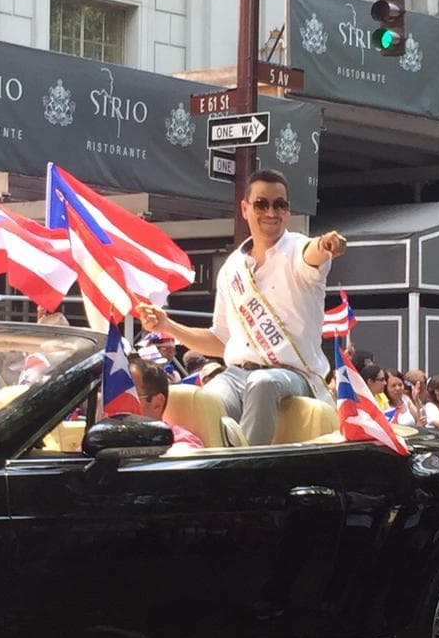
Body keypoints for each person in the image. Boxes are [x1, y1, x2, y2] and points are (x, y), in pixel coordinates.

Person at [138, 168, 346, 445]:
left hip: (293, 376)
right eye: (261, 204)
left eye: (279, 205)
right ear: (245, 208)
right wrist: (167, 325)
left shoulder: (297, 249)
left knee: (263, 384)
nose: (271, 212)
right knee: (197, 399)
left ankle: (242, 471)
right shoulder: (231, 269)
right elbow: (219, 341)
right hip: (237, 375)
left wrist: (326, 244)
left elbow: (314, 254)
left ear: (287, 211)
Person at [128, 355, 203, 452]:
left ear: (157, 403)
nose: (115, 406)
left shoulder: (178, 445)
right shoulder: (106, 445)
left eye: (129, 396)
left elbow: (182, 458)